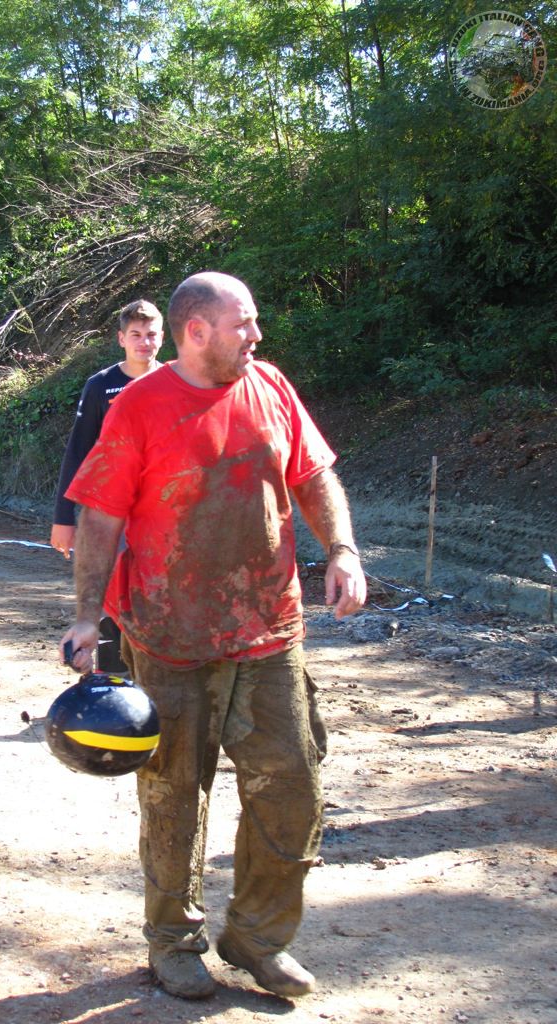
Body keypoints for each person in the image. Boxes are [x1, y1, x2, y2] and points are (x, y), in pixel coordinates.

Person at [59, 272, 366, 1002]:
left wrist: (344, 550)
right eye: (245, 324)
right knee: (172, 796)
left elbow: (313, 475)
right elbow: (100, 514)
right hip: (168, 635)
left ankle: (259, 939)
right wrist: (84, 615)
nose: (256, 336)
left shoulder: (271, 386)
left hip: (268, 629)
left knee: (292, 785)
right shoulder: (138, 406)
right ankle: (173, 941)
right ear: (197, 332)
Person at [49, 299, 164, 558]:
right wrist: (63, 518)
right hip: (111, 510)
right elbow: (78, 451)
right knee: (113, 591)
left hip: (163, 511)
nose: (144, 342)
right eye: (136, 335)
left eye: (151, 335)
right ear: (121, 339)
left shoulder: (175, 383)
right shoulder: (100, 385)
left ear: (162, 338)